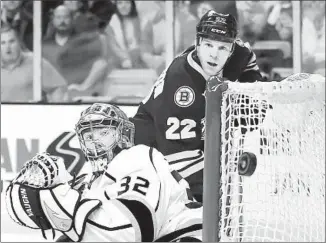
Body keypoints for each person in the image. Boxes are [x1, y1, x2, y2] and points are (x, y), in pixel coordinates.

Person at [5, 103, 202, 242]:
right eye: (89, 136)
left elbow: (134, 231)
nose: (95, 141)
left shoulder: (136, 156)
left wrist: (60, 206)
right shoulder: (93, 184)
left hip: (188, 236)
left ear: (123, 135)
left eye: (104, 133)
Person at [130, 10, 264, 202]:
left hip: (190, 140)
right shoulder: (182, 87)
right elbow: (176, 159)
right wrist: (227, 166)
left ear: (232, 48)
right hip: (151, 151)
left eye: (222, 48)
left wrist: (248, 95)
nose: (214, 54)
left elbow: (247, 60)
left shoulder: (238, 54)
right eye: (208, 45)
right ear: (198, 43)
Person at [1, 24, 68, 102]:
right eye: (2, 43)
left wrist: (53, 110)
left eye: (11, 41)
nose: (7, 47)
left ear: (19, 42)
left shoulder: (35, 61)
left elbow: (58, 87)